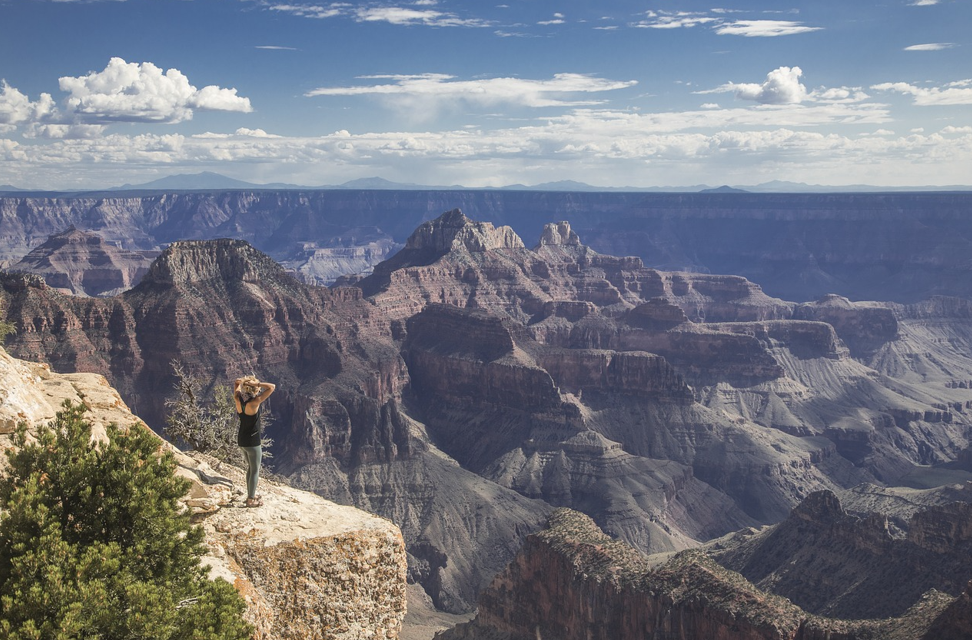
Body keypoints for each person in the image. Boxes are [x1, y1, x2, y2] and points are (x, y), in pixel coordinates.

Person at [233, 375, 275, 507]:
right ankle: (251, 500)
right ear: (254, 389)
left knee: (250, 468)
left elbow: (236, 383)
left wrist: (243, 383)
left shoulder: (238, 398)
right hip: (252, 441)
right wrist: (257, 384)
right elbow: (272, 387)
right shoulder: (255, 402)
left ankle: (250, 494)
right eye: (257, 389)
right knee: (255, 470)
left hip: (242, 440)